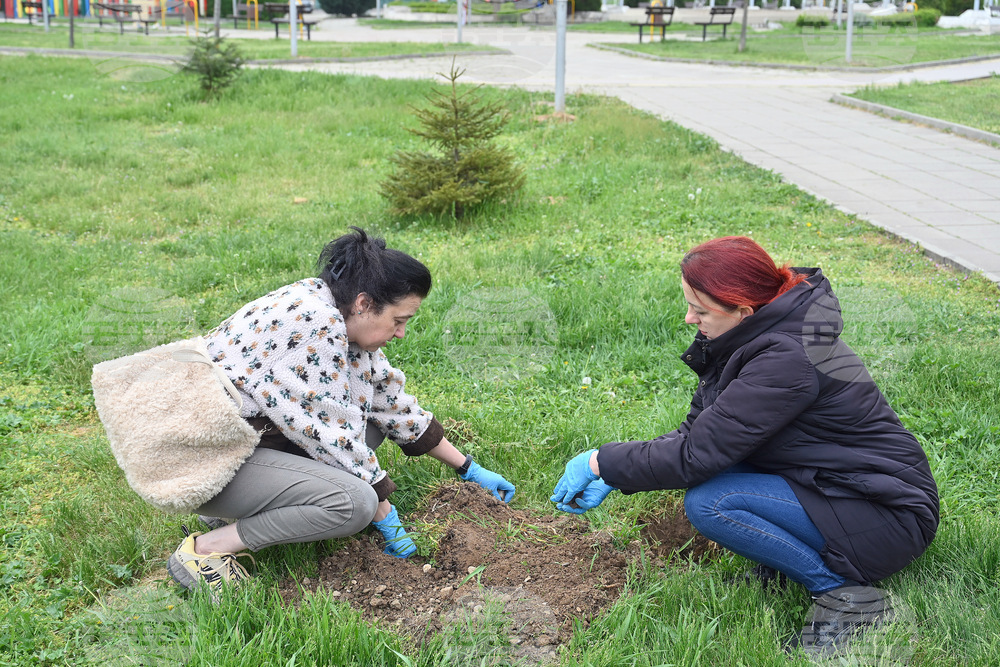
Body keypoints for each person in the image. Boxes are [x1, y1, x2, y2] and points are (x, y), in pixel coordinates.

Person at [550, 236, 938, 654]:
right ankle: (783, 565)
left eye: (700, 310)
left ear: (743, 310)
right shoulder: (744, 338)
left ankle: (846, 597)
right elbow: (697, 435)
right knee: (722, 472)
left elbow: (695, 457)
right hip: (834, 485)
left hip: (887, 513)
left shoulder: (785, 358)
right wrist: (617, 470)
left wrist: (599, 462)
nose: (688, 318)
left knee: (712, 502)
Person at [167, 227, 515, 595]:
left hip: (240, 441)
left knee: (370, 427)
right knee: (353, 502)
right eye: (399, 321)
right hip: (198, 462)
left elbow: (388, 403)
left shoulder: (337, 310)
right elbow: (331, 437)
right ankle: (207, 549)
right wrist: (383, 511)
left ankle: (245, 503)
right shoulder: (312, 324)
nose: (400, 334)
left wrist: (468, 468)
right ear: (364, 303)